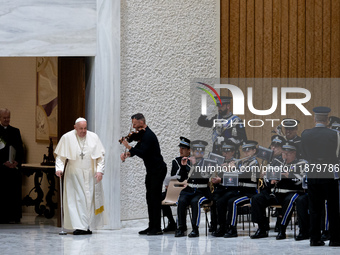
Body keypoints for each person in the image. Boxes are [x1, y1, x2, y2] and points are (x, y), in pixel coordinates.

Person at [55, 117, 106, 235]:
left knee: (89, 200)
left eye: (85, 128)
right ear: (75, 128)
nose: (83, 131)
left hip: (90, 173)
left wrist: (99, 171)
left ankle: (88, 226)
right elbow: (60, 157)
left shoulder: (94, 137)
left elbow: (100, 157)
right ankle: (79, 226)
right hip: (74, 174)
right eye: (81, 129)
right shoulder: (67, 138)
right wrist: (59, 169)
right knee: (77, 200)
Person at [120, 113, 167, 235]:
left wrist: (128, 147)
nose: (133, 126)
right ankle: (151, 226)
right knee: (149, 198)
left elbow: (144, 153)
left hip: (158, 170)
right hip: (151, 171)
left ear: (141, 122)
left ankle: (157, 228)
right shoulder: (142, 135)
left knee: (155, 198)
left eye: (135, 124)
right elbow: (139, 148)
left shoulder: (149, 136)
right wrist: (128, 154)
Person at [301, 106, 340, 246]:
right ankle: (335, 239)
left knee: (315, 208)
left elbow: (304, 154)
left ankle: (315, 238)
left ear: (314, 118)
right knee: (333, 207)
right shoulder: (335, 134)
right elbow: (338, 155)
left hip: (312, 172)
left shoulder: (305, 134)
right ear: (328, 119)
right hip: (329, 172)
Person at [250, 141, 305, 240]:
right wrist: (268, 179)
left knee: (289, 200)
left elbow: (301, 180)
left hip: (291, 191)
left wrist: (287, 175)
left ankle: (282, 229)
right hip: (276, 192)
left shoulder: (300, 163)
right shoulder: (276, 162)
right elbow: (267, 181)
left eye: (288, 153)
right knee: (257, 198)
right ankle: (262, 228)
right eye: (284, 153)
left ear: (294, 153)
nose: (285, 156)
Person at [175, 140, 210, 238]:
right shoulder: (188, 161)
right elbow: (181, 178)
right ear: (193, 152)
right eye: (196, 151)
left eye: (201, 151)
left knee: (195, 202)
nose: (199, 153)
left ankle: (195, 229)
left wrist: (195, 165)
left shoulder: (208, 163)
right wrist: (183, 167)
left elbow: (204, 177)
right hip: (189, 190)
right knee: (181, 200)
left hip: (201, 191)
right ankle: (181, 228)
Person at [224, 140, 259, 238]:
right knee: (225, 199)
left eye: (248, 151)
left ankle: (232, 228)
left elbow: (240, 174)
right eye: (244, 151)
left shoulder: (254, 163)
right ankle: (225, 226)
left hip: (250, 193)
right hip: (242, 192)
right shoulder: (245, 163)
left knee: (233, 202)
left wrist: (233, 169)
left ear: (254, 151)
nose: (246, 153)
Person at [162, 136, 191, 232]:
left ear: (189, 150)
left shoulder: (193, 161)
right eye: (180, 148)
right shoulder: (176, 161)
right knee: (159, 197)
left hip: (188, 190)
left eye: (183, 148)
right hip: (176, 189)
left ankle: (182, 224)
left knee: (183, 199)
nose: (181, 150)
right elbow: (174, 177)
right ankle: (171, 222)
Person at [210, 141, 239, 236]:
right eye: (223, 152)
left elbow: (235, 179)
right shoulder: (220, 162)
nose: (225, 154)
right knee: (214, 199)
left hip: (232, 189)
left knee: (221, 201)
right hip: (221, 188)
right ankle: (216, 224)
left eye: (228, 151)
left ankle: (225, 226)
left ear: (233, 152)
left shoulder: (237, 163)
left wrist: (230, 170)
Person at [0, 108, 24, 223]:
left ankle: (14, 216)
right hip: (1, 168)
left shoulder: (15, 131)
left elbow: (20, 149)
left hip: (13, 168)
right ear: (0, 118)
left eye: (8, 117)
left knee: (14, 190)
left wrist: (16, 162)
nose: (6, 120)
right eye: (4, 118)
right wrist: (3, 162)